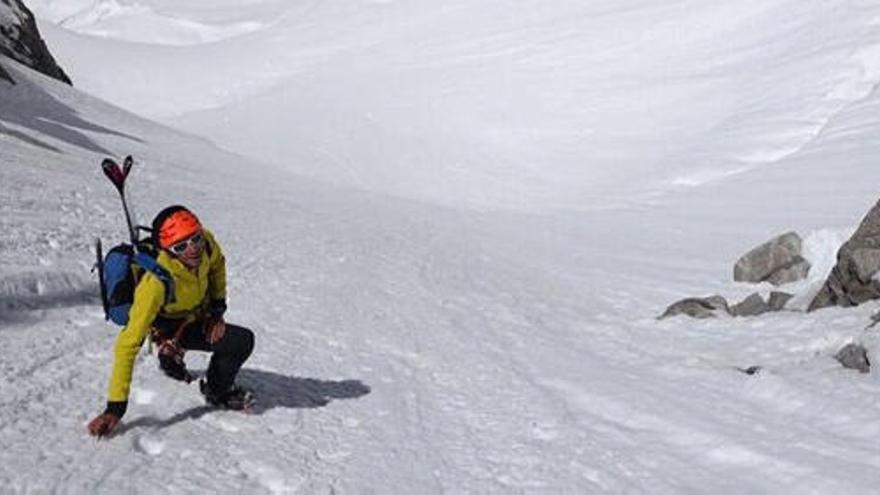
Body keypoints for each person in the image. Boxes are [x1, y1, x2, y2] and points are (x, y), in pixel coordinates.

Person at [88, 205, 255, 437]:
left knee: (241, 341)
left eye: (195, 239)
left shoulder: (207, 244)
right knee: (238, 340)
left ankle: (215, 388)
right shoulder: (155, 284)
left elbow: (217, 265)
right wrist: (115, 408)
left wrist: (217, 310)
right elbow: (126, 346)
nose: (193, 249)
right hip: (167, 322)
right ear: (168, 250)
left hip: (198, 314)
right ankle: (169, 342)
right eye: (181, 246)